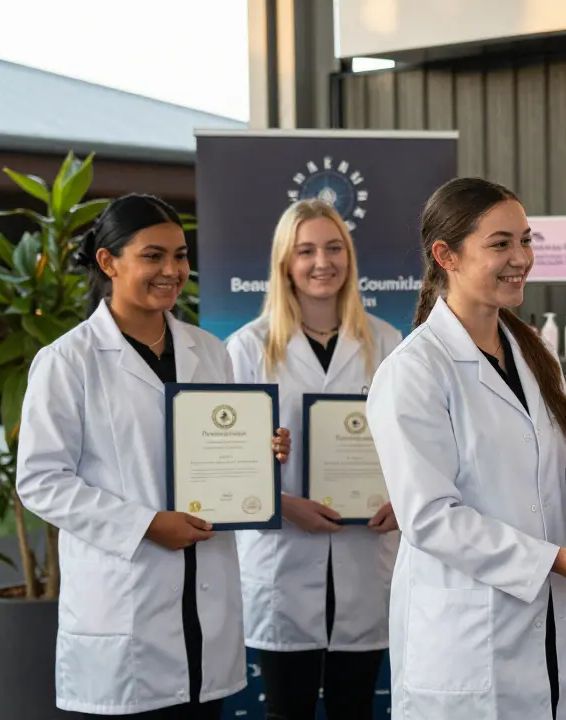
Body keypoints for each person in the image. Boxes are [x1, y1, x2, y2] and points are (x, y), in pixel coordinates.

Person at [366, 177, 566, 720]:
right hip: (467, 644)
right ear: (447, 255)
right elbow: (430, 517)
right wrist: (554, 559)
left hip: (547, 634)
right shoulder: (413, 371)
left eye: (526, 240)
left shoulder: (534, 357)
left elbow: (529, 491)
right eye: (500, 244)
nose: (521, 258)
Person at [14, 194, 290, 718]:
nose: (172, 270)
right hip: (126, 603)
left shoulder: (208, 350)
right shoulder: (68, 361)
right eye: (153, 256)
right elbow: (41, 481)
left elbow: (212, 447)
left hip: (203, 598)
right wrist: (145, 525)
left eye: (181, 256)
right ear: (108, 262)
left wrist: (258, 450)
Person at [224, 199, 404, 719]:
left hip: (366, 550)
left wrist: (401, 499)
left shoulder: (387, 344)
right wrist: (282, 504)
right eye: (306, 251)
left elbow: (412, 445)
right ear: (285, 263)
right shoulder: (246, 349)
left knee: (354, 708)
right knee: (287, 711)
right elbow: (223, 465)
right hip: (284, 554)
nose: (321, 262)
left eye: (333, 248)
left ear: (348, 257)